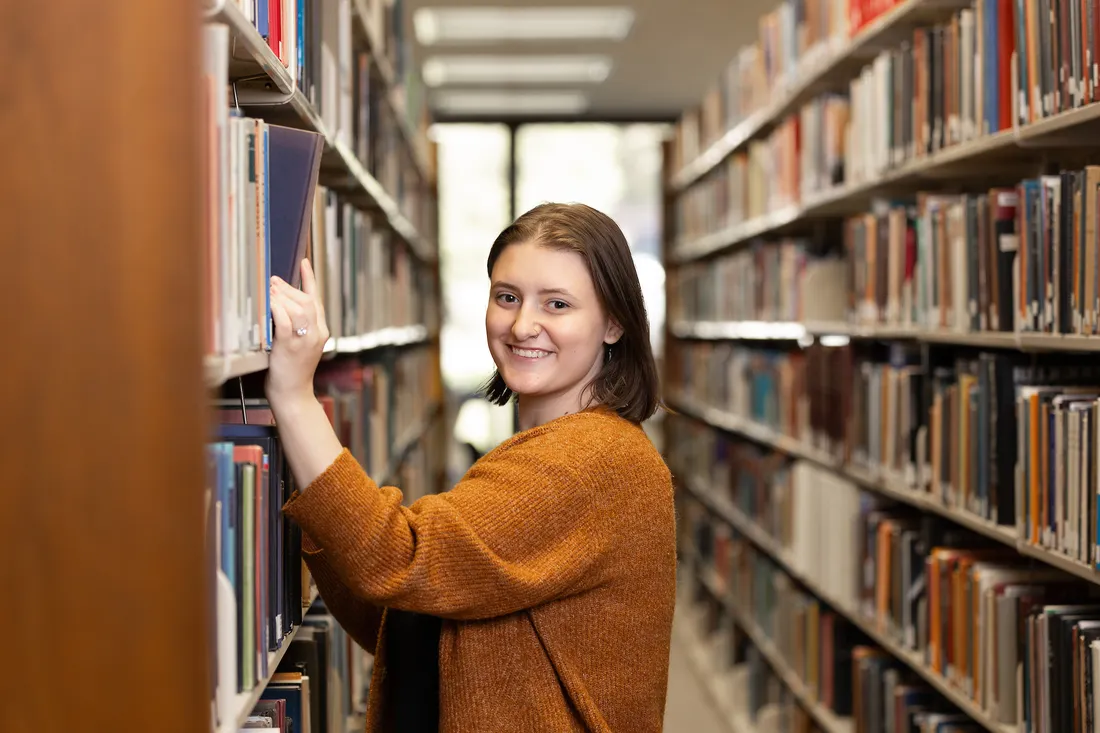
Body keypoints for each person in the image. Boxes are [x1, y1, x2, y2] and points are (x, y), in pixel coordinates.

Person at [265, 202, 676, 732]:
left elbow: (399, 559)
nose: (523, 325)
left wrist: (296, 398)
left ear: (614, 323)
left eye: (557, 304)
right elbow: (406, 617)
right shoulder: (547, 449)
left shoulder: (592, 460)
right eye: (507, 297)